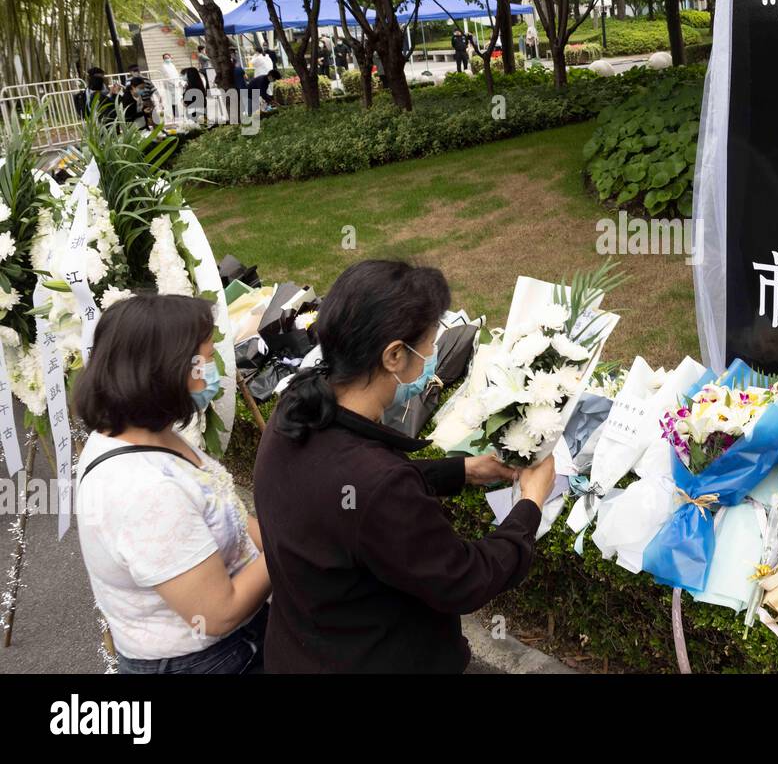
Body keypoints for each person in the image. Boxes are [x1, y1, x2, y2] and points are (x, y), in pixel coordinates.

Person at [253, 259, 552, 673]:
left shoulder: (296, 409)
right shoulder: (375, 484)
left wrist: (461, 471)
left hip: (301, 649)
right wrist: (531, 505)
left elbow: (346, 499)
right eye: (429, 344)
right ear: (394, 355)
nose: (432, 355)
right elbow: (463, 578)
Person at [73, 294, 271, 674]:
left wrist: (277, 537)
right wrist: (297, 547)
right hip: (208, 661)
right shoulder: (144, 489)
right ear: (166, 370)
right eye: (207, 360)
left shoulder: (145, 432)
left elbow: (225, 511)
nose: (216, 370)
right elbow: (217, 613)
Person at [159, 53, 182, 123]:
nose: (167, 59)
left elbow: (176, 74)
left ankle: (178, 115)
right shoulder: (163, 66)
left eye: (168, 57)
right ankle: (173, 116)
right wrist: (174, 83)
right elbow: (167, 76)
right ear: (163, 59)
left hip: (175, 85)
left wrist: (178, 82)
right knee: (171, 101)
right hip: (169, 85)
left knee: (177, 100)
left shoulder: (172, 65)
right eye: (165, 58)